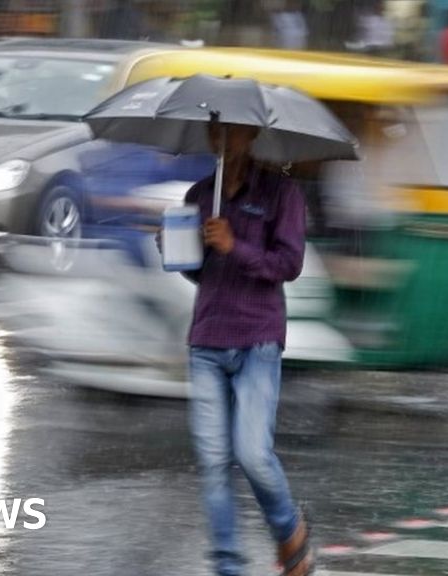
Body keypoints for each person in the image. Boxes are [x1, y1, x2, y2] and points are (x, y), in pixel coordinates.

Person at [159, 122, 313, 576]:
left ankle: (289, 529)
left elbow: (289, 264)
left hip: (257, 340)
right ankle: (227, 566)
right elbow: (196, 272)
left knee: (253, 455)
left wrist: (235, 244)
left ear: (252, 135)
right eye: (217, 132)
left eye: (235, 132)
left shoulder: (282, 193)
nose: (225, 141)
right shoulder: (200, 194)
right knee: (212, 463)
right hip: (206, 338)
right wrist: (178, 248)